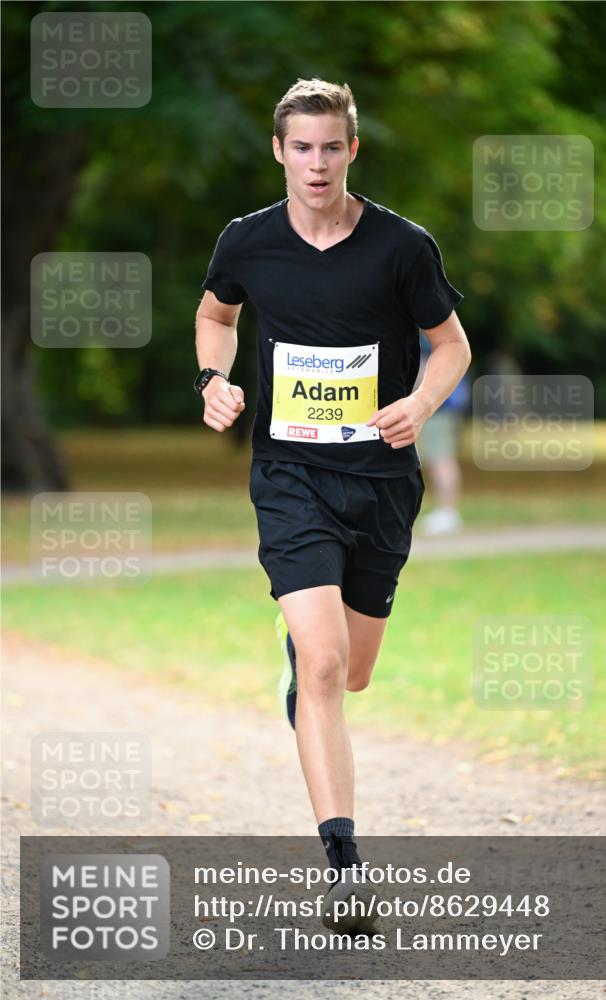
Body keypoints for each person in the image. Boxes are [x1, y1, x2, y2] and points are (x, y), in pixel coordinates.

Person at [194, 77, 471, 934]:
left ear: (353, 149)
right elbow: (215, 317)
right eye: (301, 148)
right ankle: (345, 870)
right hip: (290, 476)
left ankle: (304, 654)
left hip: (382, 483)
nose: (316, 163)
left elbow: (449, 346)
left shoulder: (401, 247)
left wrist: (418, 404)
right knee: (322, 666)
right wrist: (211, 380)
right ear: (279, 152)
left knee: (350, 672)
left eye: (331, 147)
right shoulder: (247, 241)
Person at [415, 331, 470, 535]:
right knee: (440, 459)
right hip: (442, 407)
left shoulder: (426, 338)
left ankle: (447, 512)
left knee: (441, 459)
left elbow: (423, 369)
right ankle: (446, 511)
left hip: (438, 409)